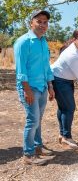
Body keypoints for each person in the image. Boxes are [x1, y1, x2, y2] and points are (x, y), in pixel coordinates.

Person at [14, 10, 55, 165]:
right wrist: (26, 90)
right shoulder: (23, 42)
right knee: (33, 120)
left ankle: (38, 147)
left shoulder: (43, 41)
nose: (42, 25)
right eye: (39, 21)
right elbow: (20, 70)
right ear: (31, 22)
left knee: (38, 119)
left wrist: (50, 85)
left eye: (45, 22)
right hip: (29, 88)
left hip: (43, 87)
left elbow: (46, 67)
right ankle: (28, 154)